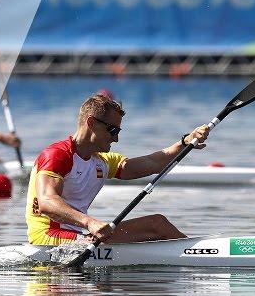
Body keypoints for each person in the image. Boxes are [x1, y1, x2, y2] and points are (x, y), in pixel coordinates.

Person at [25, 94, 209, 245]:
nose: (116, 139)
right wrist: (90, 222)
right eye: (113, 131)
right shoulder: (57, 155)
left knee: (157, 223)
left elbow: (153, 162)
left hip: (80, 233)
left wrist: (185, 142)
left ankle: (197, 252)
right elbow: (47, 202)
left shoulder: (102, 161)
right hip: (48, 236)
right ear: (91, 123)